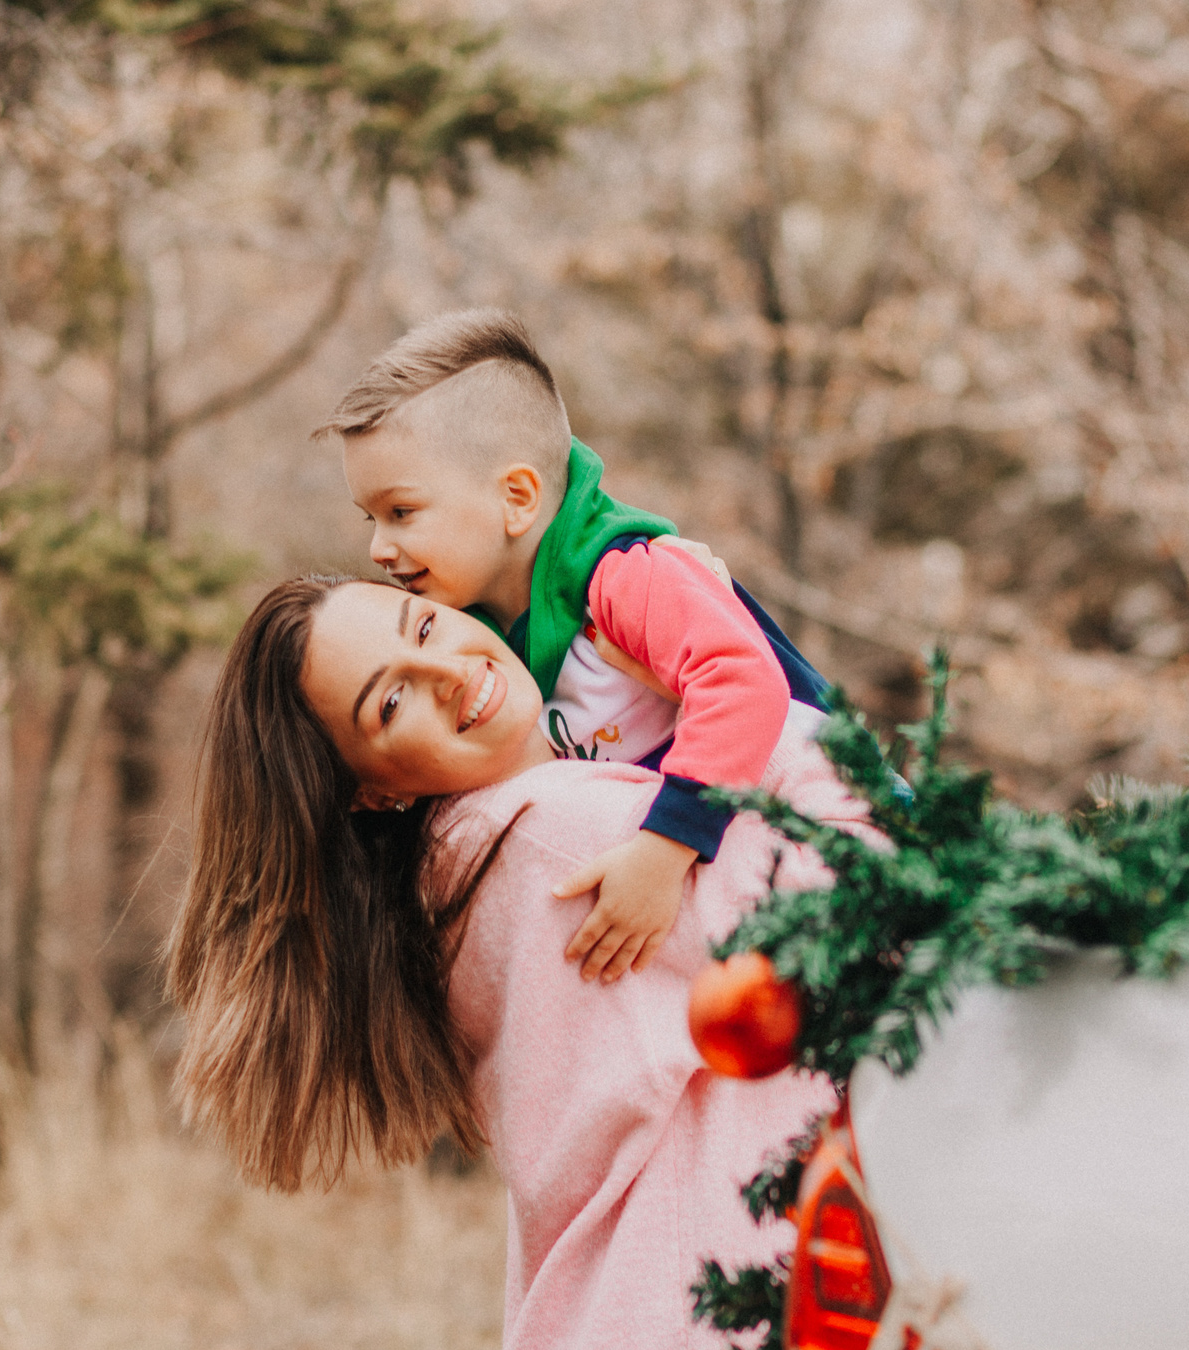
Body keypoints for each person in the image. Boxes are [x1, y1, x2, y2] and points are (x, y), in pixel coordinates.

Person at [167, 576, 865, 1350]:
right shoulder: (556, 842)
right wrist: (743, 685)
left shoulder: (470, 865)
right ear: (372, 792)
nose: (448, 673)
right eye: (392, 701)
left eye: (425, 628)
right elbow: (861, 892)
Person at [318, 309, 832, 984]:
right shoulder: (486, 642)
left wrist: (664, 849)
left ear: (517, 497)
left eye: (401, 512)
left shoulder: (621, 575)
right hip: (754, 907)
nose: (379, 548)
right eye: (371, 518)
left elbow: (741, 681)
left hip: (838, 831)